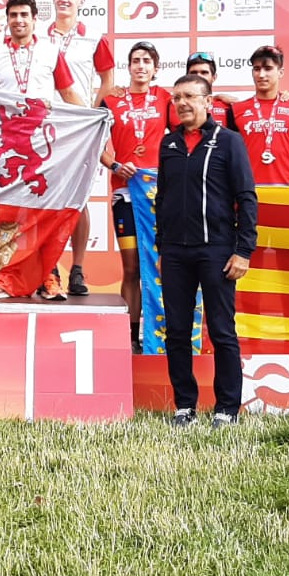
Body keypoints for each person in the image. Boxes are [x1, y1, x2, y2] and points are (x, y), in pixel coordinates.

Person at [0, 0, 84, 301]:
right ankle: (3, 278)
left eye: (24, 15)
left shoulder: (51, 51)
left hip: (42, 144)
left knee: (43, 214)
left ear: (35, 19)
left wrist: (95, 119)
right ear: (7, 20)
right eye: (13, 15)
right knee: (8, 215)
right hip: (8, 145)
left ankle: (49, 277)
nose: (18, 20)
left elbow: (69, 94)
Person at [156, 74, 258, 427]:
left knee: (221, 330)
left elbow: (246, 197)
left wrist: (243, 250)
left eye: (189, 96)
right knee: (177, 331)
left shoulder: (229, 141)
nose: (182, 103)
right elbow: (163, 199)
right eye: (176, 98)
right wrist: (162, 247)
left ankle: (228, 408)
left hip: (217, 250)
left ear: (207, 101)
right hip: (175, 253)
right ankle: (185, 406)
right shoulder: (168, 143)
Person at [101, 42, 176, 351]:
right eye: (135, 61)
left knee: (164, 266)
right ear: (129, 66)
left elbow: (188, 131)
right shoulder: (111, 100)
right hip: (125, 193)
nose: (141, 66)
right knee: (132, 267)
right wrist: (116, 165)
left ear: (155, 68)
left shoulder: (166, 99)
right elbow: (96, 145)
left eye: (147, 61)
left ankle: (165, 334)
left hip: (160, 195)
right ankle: (131, 337)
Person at [46, 0, 115, 296]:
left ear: (81, 1)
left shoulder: (94, 38)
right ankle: (48, 269)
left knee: (80, 199)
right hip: (46, 126)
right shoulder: (39, 35)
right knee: (45, 198)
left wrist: (94, 114)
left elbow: (107, 79)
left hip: (79, 128)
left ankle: (77, 268)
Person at [230, 45, 289, 186]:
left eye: (268, 68)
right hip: (249, 192)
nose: (261, 75)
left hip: (287, 191)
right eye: (256, 69)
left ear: (281, 72)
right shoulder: (236, 109)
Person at [186, 52, 233, 127]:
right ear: (186, 77)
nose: (199, 76)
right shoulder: (176, 106)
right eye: (193, 73)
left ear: (214, 77)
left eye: (204, 72)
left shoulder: (228, 106)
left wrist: (238, 104)